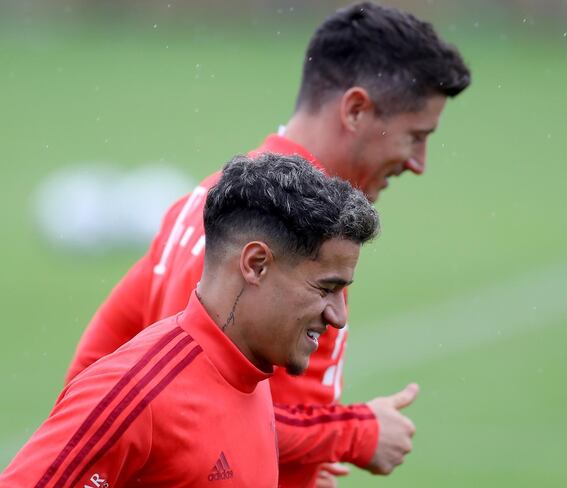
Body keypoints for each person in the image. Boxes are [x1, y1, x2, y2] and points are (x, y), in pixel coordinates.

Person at [65, 2, 471, 486]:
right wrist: (353, 433)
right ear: (356, 109)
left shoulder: (212, 199)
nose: (419, 162)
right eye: (415, 136)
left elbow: (91, 371)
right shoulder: (281, 235)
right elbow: (196, 406)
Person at [0, 153, 380, 488]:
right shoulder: (136, 393)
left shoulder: (253, 377)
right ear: (256, 265)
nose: (338, 316)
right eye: (327, 288)